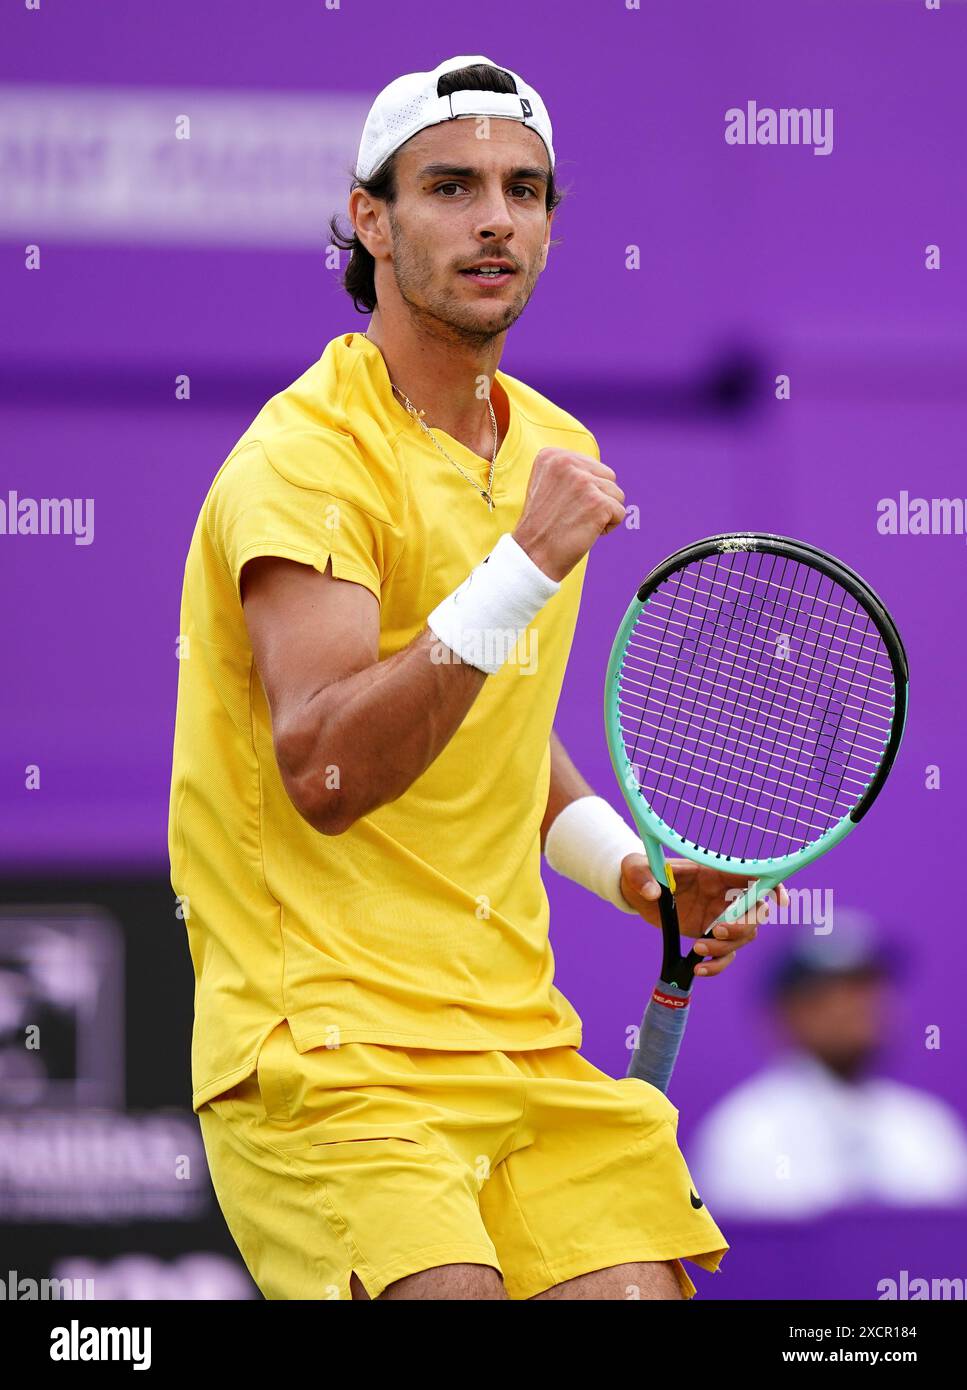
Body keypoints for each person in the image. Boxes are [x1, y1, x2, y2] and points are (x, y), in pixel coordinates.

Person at [168, 55, 778, 1302]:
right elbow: (331, 768)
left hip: (519, 1041)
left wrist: (636, 875)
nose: (495, 216)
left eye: (525, 189)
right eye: (450, 186)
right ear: (370, 220)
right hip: (325, 1051)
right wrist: (521, 565)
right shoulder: (303, 460)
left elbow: (495, 733)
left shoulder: (555, 448)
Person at [690, 910, 967, 1218]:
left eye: (869, 986)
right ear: (786, 1013)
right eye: (835, 991)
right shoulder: (744, 1134)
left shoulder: (927, 1126)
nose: (860, 1004)